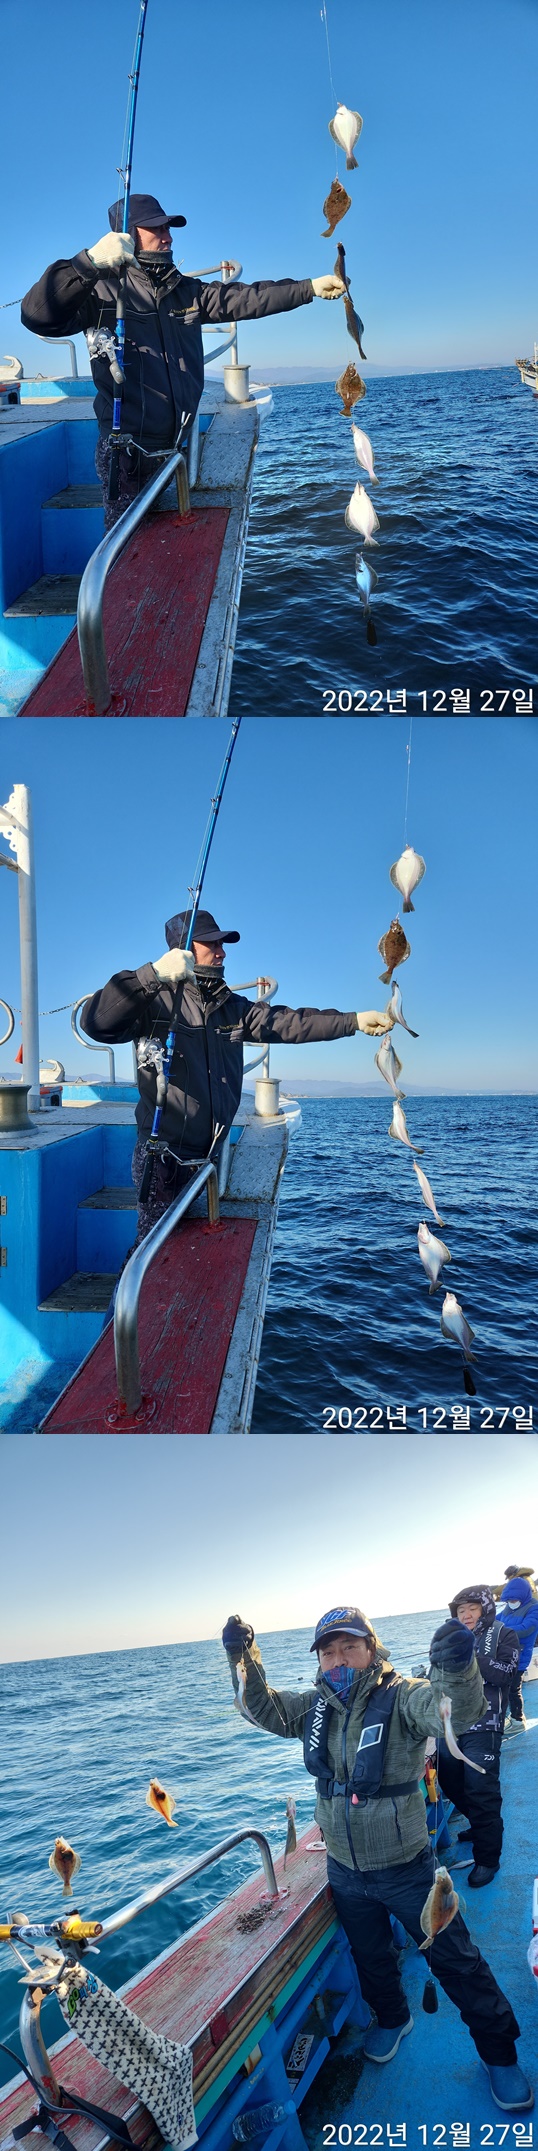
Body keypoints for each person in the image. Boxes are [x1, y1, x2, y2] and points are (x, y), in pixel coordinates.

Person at [221, 1606, 533, 2115]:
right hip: (344, 1870)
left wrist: (458, 1669)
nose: (339, 1659)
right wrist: (242, 1657)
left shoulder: (404, 1695)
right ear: (319, 1661)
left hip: (408, 1868)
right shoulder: (313, 1707)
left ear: (371, 1648)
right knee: (371, 1959)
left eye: (350, 1646)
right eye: (328, 1652)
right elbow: (260, 1708)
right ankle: (392, 2018)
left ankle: (500, 2055)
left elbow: (453, 1711)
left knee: (458, 1962)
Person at [81, 907, 395, 1253]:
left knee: (190, 1249)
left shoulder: (232, 1007)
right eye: (212, 944)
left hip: (209, 1157)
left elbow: (290, 1023)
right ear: (184, 949)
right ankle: (128, 1290)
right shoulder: (153, 1002)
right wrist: (151, 975)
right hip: (163, 1160)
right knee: (151, 1248)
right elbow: (95, 1023)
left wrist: (353, 1021)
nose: (222, 952)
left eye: (223, 944)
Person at [21, 194, 346, 527]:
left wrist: (308, 288)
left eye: (168, 228)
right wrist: (87, 263)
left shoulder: (186, 291)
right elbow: (36, 315)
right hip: (127, 454)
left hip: (176, 446)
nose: (168, 237)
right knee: (124, 539)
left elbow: (247, 298)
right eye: (157, 229)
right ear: (129, 234)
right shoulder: (99, 292)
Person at [436, 1585, 518, 1887]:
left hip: (486, 1723)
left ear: (485, 1609)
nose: (466, 1615)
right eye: (461, 1610)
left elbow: (507, 1673)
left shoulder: (504, 1634)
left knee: (480, 1789)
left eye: (472, 1608)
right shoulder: (450, 1639)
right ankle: (481, 1824)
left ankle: (487, 1858)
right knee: (449, 1780)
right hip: (453, 1725)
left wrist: (471, 1658)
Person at [495, 1576, 538, 1733]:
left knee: (514, 1689)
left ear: (523, 1596)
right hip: (505, 1656)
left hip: (520, 1657)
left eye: (514, 1600)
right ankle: (513, 1717)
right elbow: (494, 1620)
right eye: (509, 1600)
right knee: (505, 1689)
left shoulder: (534, 1608)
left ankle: (518, 1721)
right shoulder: (509, 1608)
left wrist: (500, 1630)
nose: (511, 1602)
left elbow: (526, 1628)